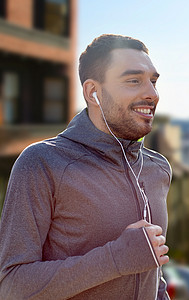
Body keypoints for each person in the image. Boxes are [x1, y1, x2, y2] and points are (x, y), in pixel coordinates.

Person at [0, 34, 171, 299]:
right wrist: (116, 258)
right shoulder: (42, 163)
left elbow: (151, 272)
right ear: (93, 92)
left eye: (153, 81)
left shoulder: (157, 168)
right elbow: (11, 287)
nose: (151, 94)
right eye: (133, 81)